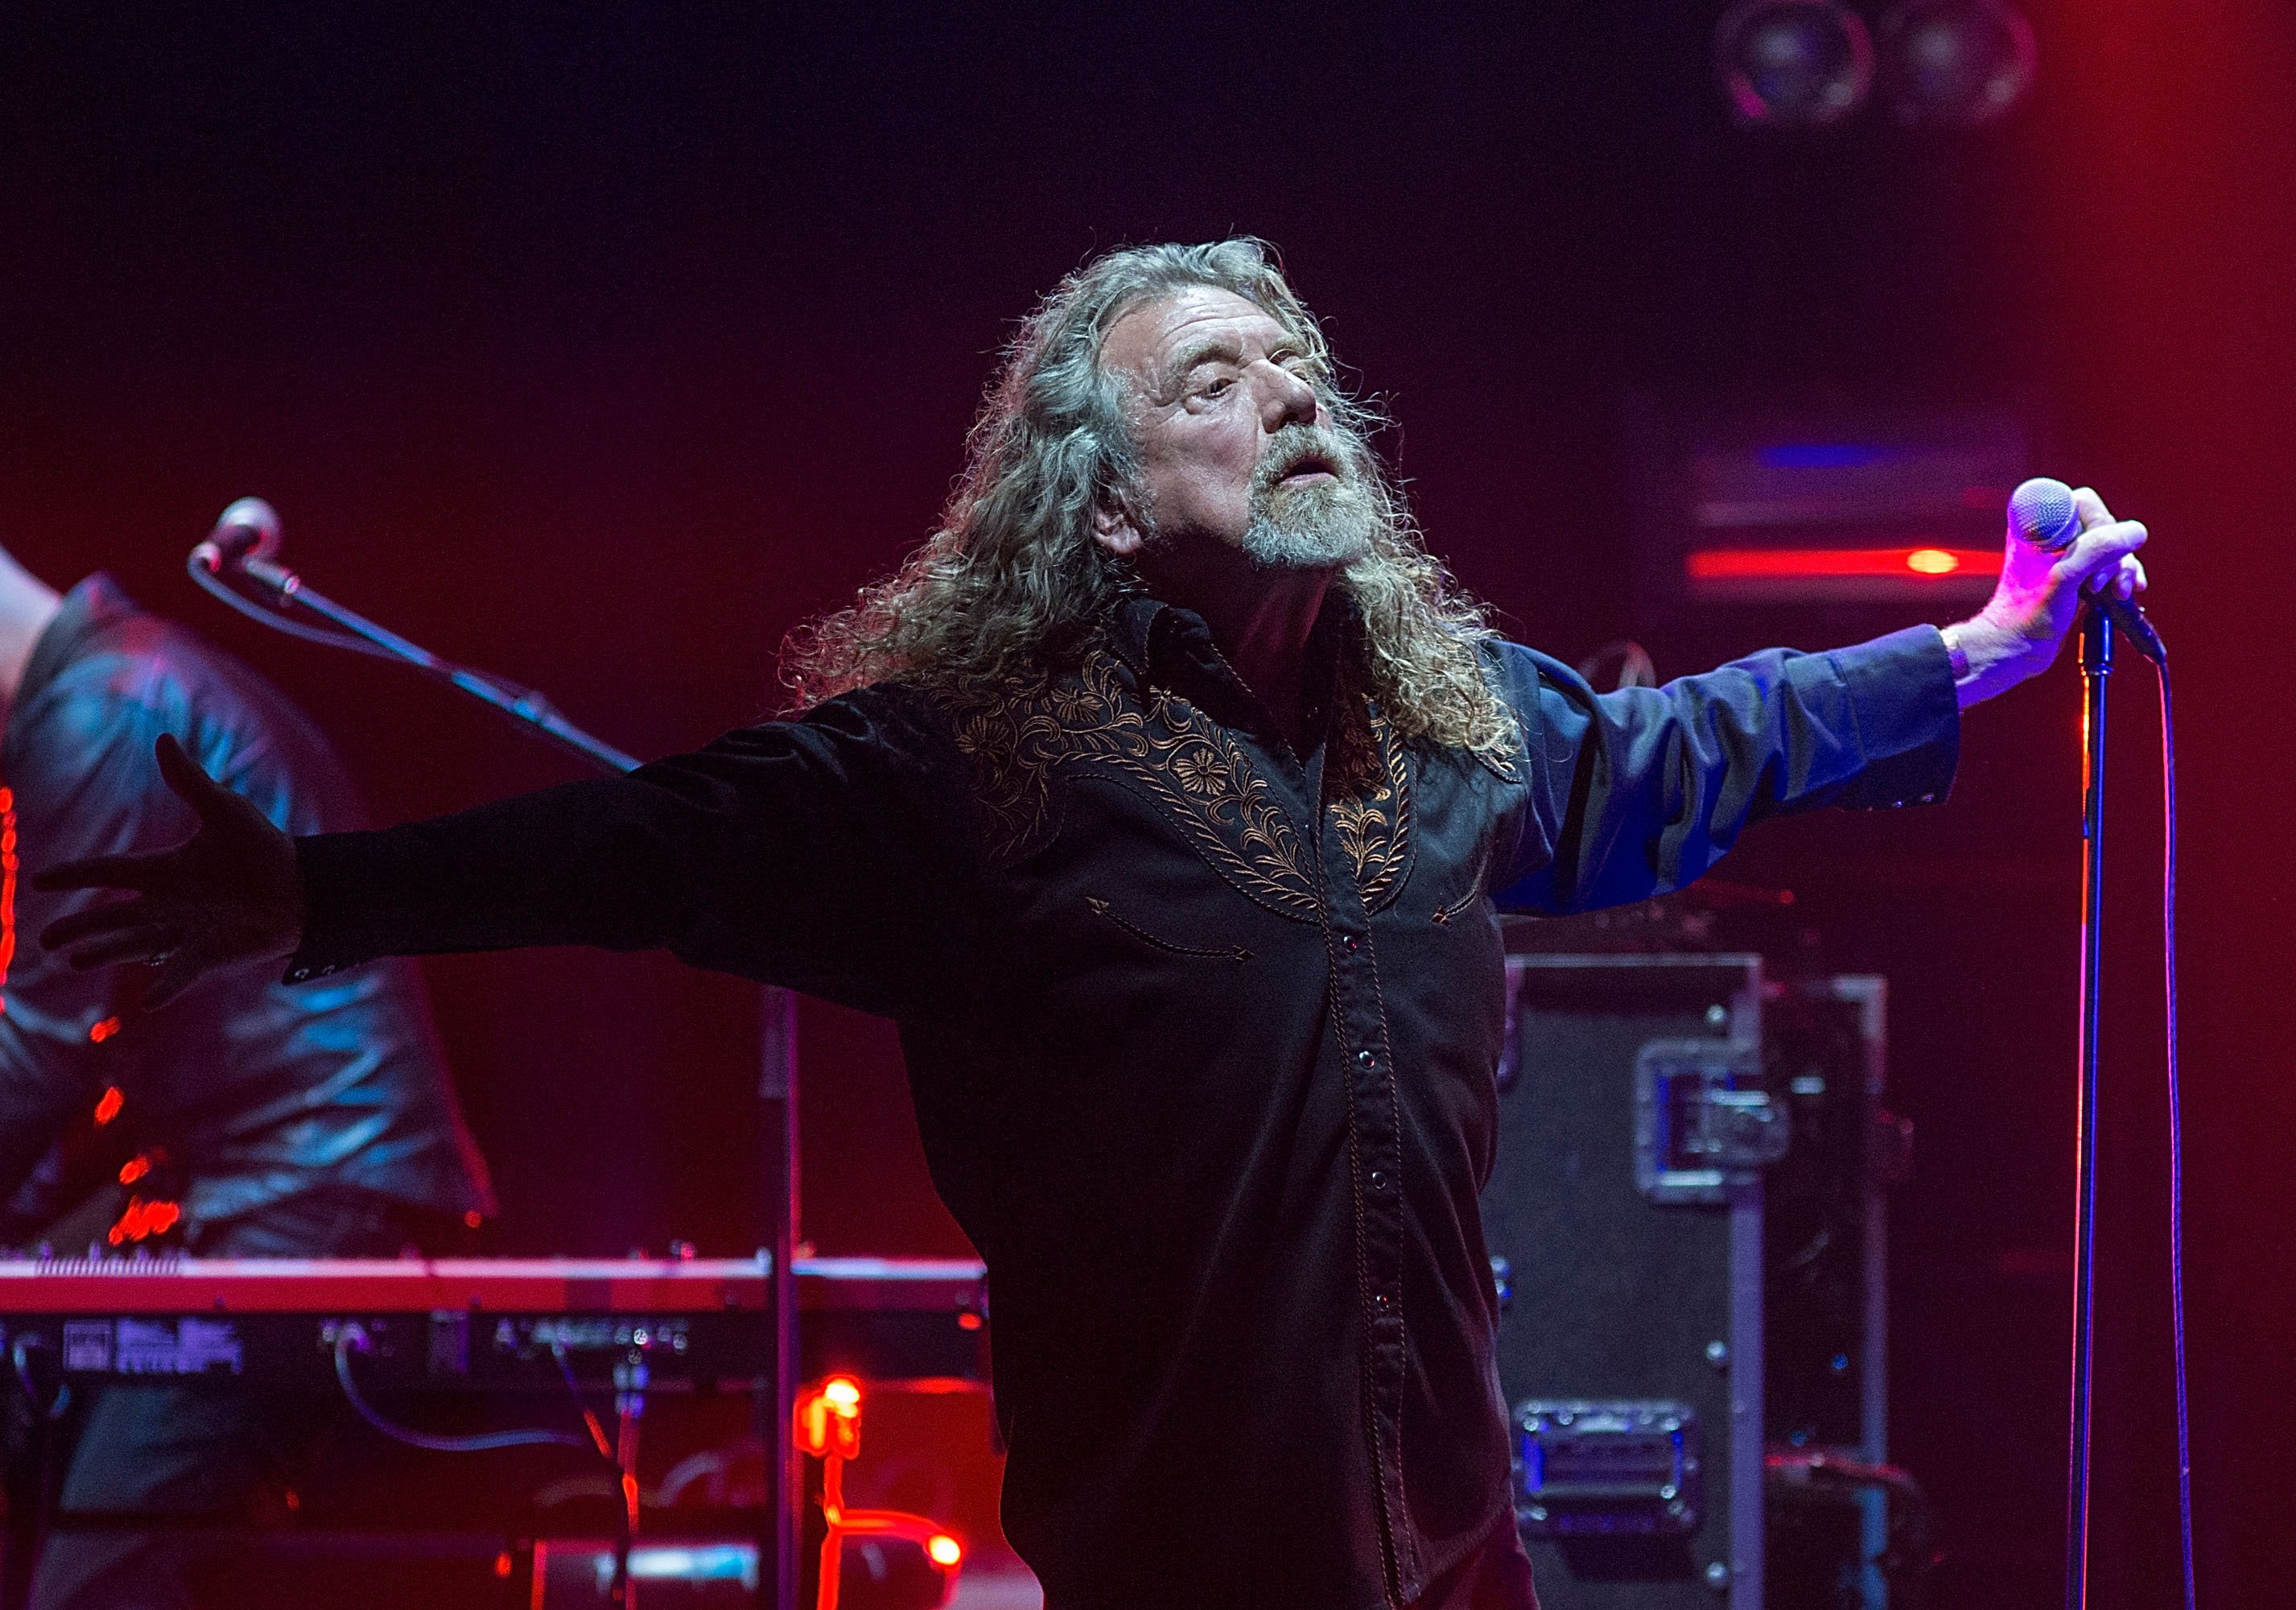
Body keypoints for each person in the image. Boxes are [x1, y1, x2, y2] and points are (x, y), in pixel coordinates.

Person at [37, 240, 2145, 1610]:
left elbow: (1684, 748)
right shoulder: (980, 769)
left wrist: (1986, 643)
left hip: (1454, 1556)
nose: (1298, 400)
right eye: (1223, 381)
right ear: (1108, 507)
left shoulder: (1446, 730)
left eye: (1308, 370)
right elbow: (657, 842)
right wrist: (323, 892)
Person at [0, 551, 495, 1609]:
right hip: (259, 1179)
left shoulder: (100, 714)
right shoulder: (116, 688)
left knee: (104, 1589)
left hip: (302, 1188)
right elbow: (90, 1052)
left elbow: (40, 1050)